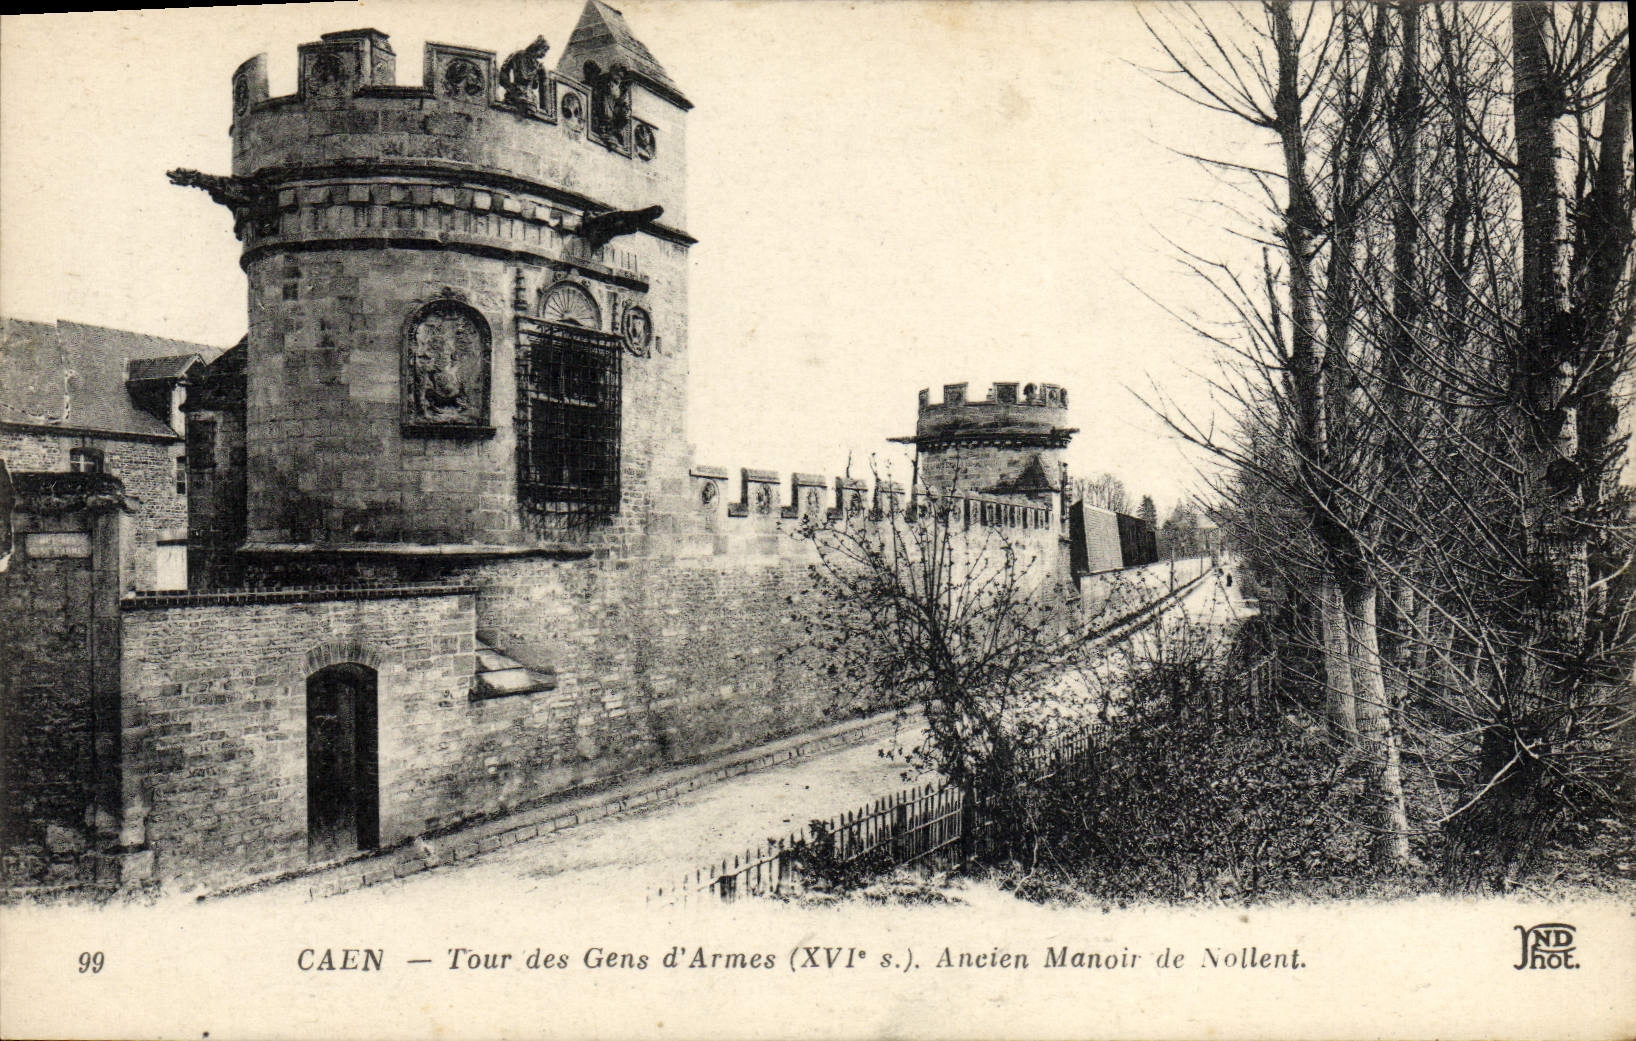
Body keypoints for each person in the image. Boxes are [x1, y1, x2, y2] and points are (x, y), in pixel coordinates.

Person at [500, 36, 550, 113]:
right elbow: (504, 70)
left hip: (529, 98)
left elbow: (534, 86)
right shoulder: (519, 55)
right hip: (517, 94)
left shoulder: (538, 65)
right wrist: (510, 87)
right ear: (537, 47)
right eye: (544, 50)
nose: (544, 54)